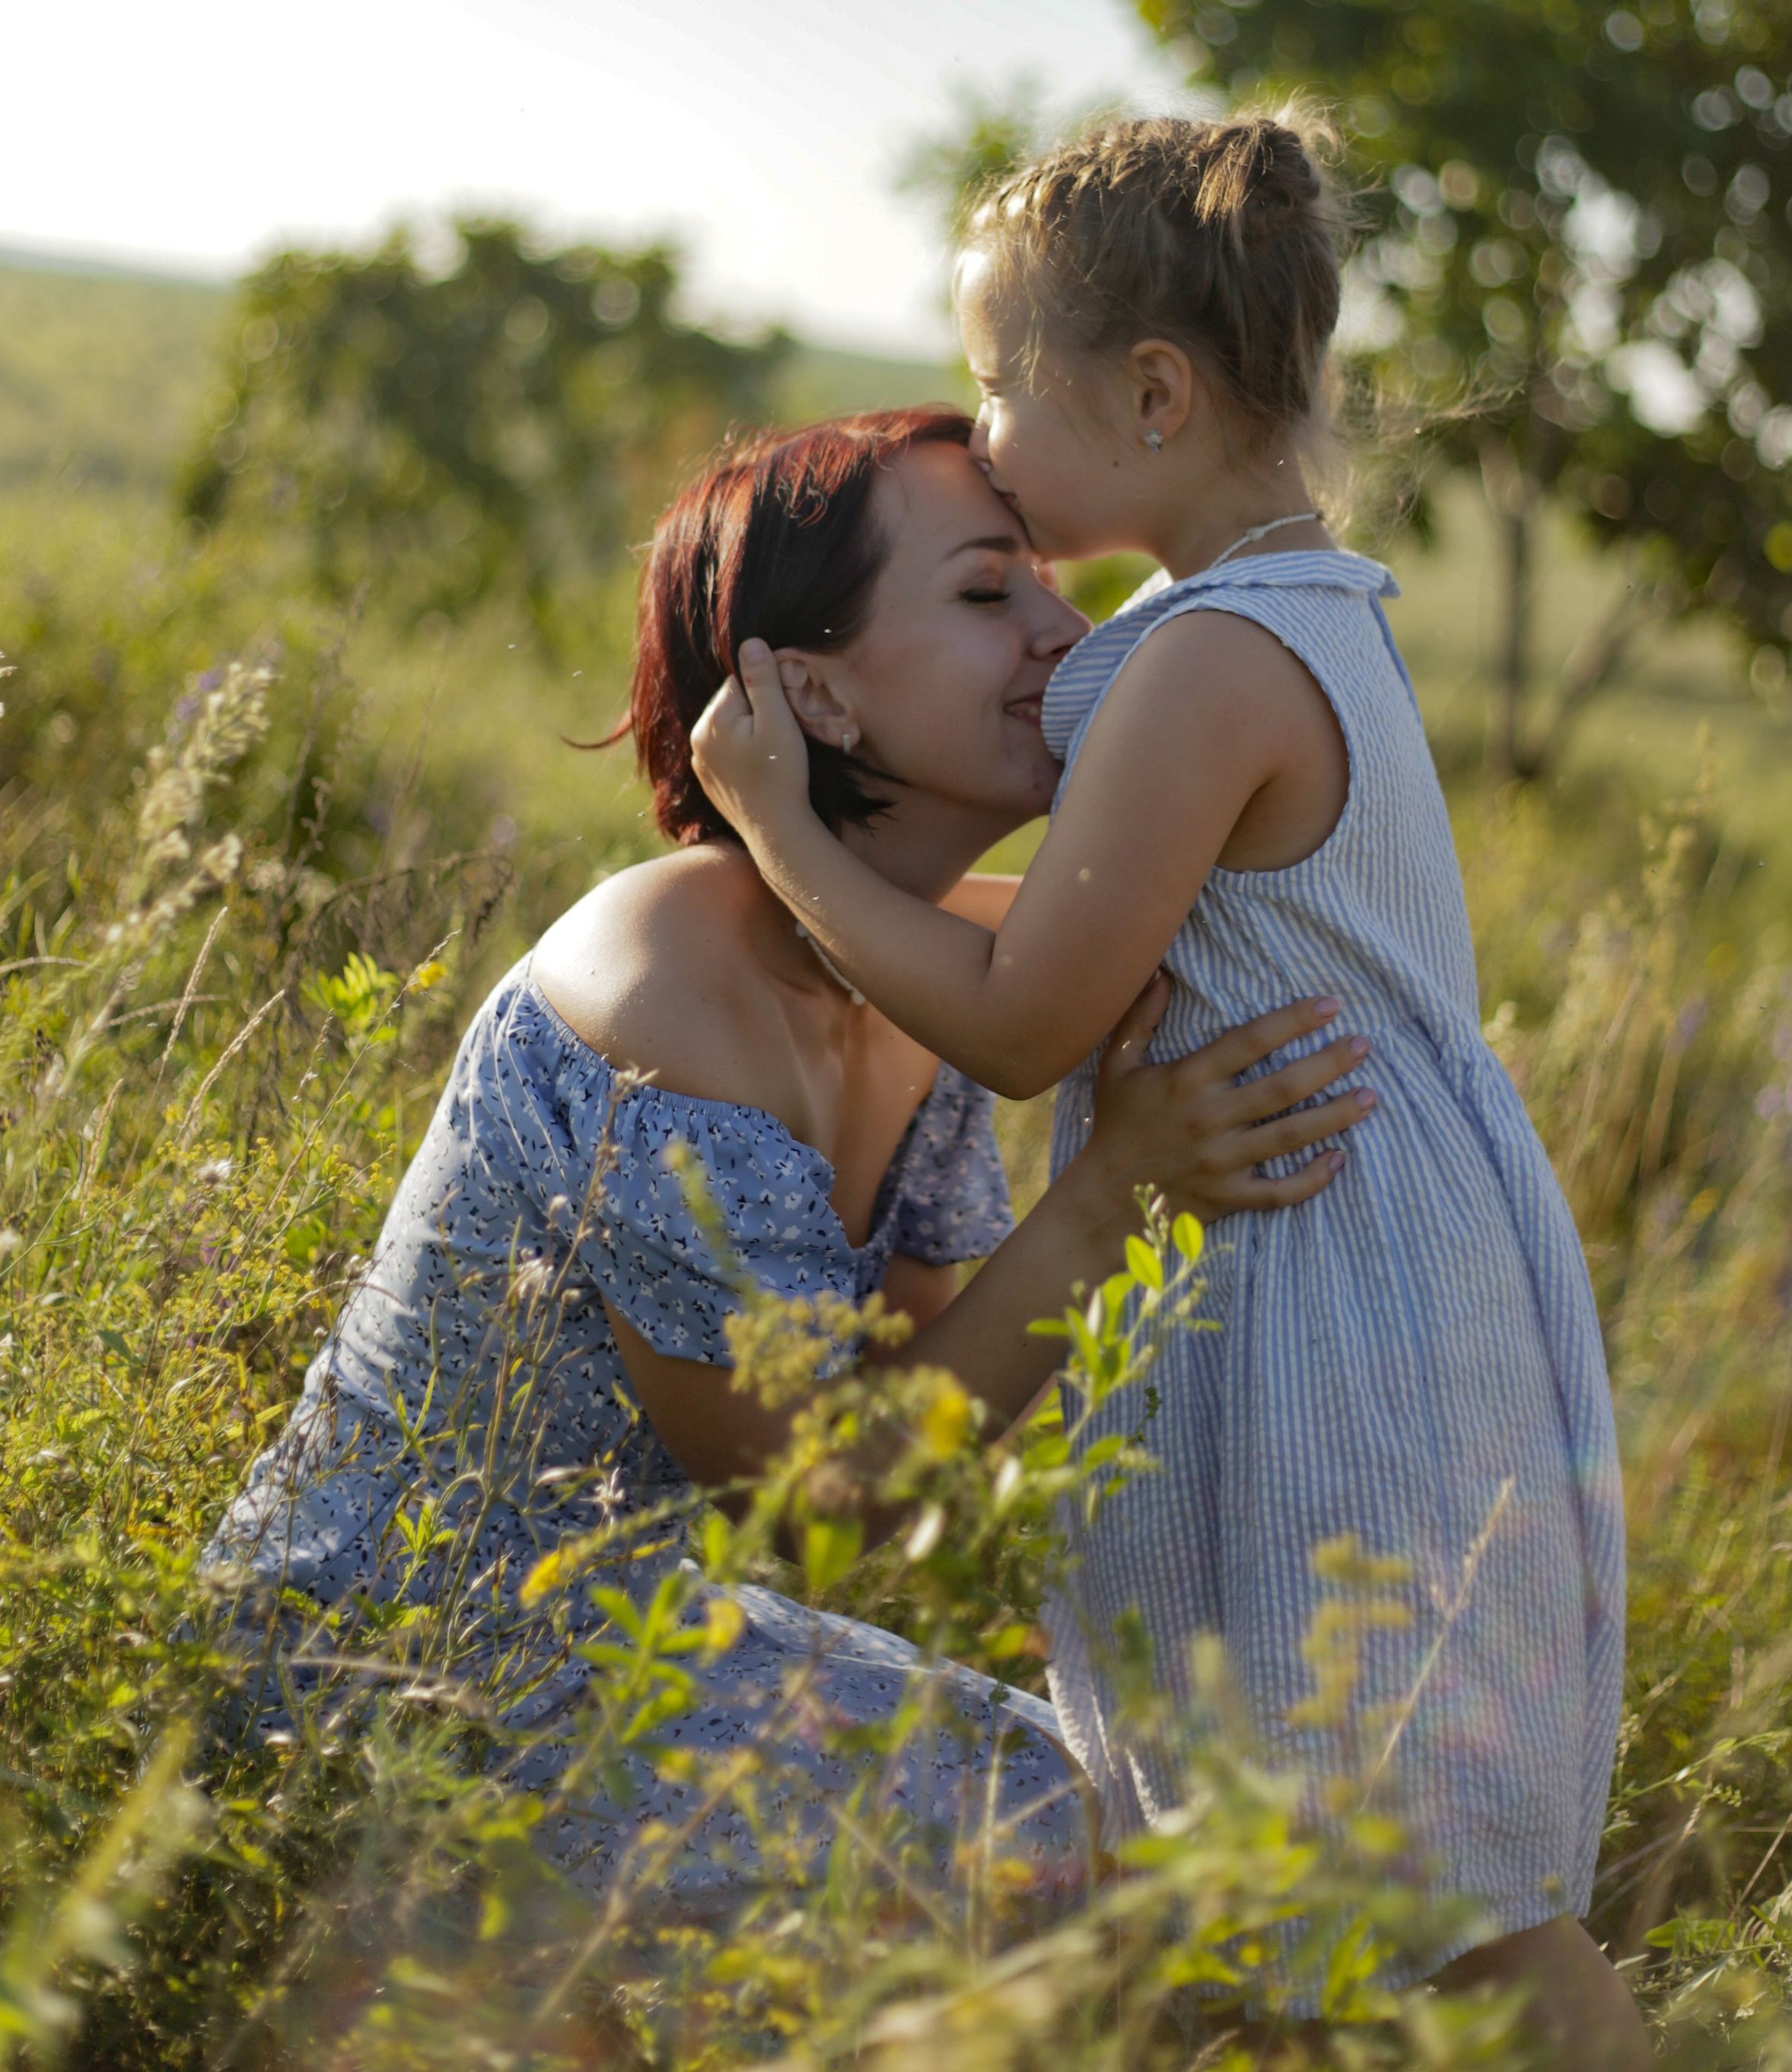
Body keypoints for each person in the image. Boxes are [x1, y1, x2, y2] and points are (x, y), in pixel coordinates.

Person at [691, 119, 1644, 2062]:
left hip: (1330, 1295)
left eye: (994, 381)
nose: (981, 433)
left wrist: (779, 830)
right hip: (1354, 1255)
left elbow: (1023, 1021)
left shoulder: (1197, 664)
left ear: (1148, 394)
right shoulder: (1308, 615)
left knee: (1428, 1887)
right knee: (1318, 1876)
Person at [204, 405, 1372, 1924]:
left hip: (631, 1632)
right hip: (379, 1671)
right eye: (986, 590)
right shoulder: (667, 988)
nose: (1062, 631)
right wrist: (1112, 1202)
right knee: (1055, 1856)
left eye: (1045, 581)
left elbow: (922, 1400)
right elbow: (819, 1498)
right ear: (810, 690)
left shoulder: (939, 978)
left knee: (1135, 1811)